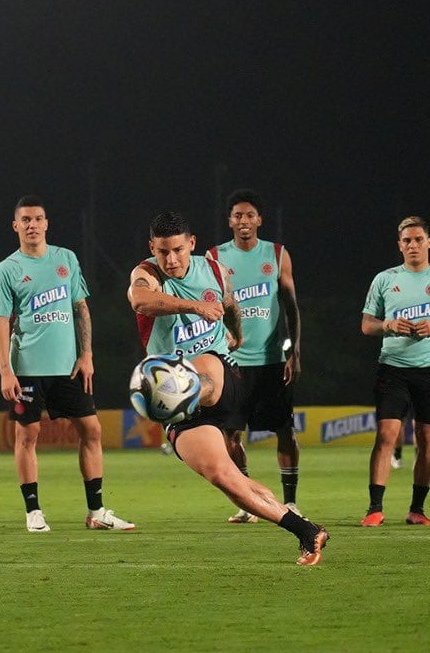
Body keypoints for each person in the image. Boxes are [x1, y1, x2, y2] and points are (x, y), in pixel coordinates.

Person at [129, 210, 328, 565]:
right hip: (180, 405)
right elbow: (140, 301)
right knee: (225, 477)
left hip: (216, 374)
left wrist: (235, 334)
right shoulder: (146, 273)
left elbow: (230, 305)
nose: (171, 259)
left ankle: (186, 389)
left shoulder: (214, 270)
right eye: (163, 252)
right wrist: (194, 306)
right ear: (152, 249)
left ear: (191, 244)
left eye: (177, 249)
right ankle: (306, 531)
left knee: (200, 365)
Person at [0, 196, 135, 533]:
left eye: (38, 218)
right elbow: (0, 323)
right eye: (25, 219)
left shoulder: (65, 259)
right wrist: (5, 370)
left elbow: (80, 308)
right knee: (27, 437)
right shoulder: (7, 269)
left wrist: (87, 355)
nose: (32, 225)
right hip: (26, 369)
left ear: (46, 223)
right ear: (16, 226)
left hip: (68, 367)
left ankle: (96, 512)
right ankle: (33, 512)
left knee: (92, 431)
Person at [358, 216, 430, 526]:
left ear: (429, 242)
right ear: (399, 245)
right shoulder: (385, 279)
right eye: (407, 240)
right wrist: (387, 324)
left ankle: (417, 509)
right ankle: (375, 508)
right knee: (386, 435)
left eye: (418, 239)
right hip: (392, 368)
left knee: (427, 438)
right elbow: (367, 325)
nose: (412, 245)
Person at [205, 189, 302, 523]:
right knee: (230, 434)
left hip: (273, 360)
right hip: (232, 363)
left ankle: (290, 502)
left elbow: (291, 307)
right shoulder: (214, 257)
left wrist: (295, 352)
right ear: (229, 220)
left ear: (259, 219)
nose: (243, 221)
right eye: (237, 215)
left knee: (285, 430)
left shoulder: (276, 254)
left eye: (249, 215)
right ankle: (249, 503)